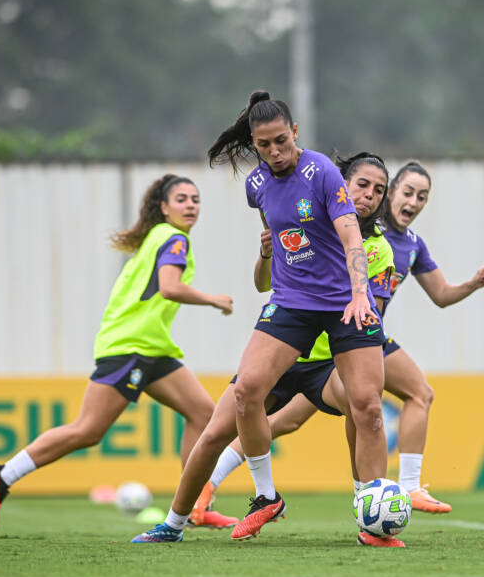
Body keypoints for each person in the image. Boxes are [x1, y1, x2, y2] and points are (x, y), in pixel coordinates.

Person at [198, 160, 484, 516]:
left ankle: (391, 492)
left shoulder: (412, 245)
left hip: (361, 332)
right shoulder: (348, 225)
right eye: (408, 192)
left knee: (308, 416)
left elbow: (441, 294)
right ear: (391, 194)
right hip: (337, 339)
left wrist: (472, 285)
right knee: (302, 415)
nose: (413, 202)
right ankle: (398, 489)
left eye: (422, 196)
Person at [133, 151, 400, 546]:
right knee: (215, 432)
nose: (369, 195)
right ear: (340, 184)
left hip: (326, 365)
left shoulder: (377, 249)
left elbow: (367, 315)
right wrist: (266, 253)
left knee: (367, 410)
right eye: (362, 185)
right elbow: (263, 284)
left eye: (378, 190)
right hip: (283, 352)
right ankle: (175, 523)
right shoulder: (304, 219)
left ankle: (370, 515)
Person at [0, 174, 236, 529]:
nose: (190, 205)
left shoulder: (157, 237)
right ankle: (3, 475)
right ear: (164, 207)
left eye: (195, 199)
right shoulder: (174, 239)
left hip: (151, 347)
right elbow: (169, 287)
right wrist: (213, 299)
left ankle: (193, 506)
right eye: (181, 199)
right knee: (88, 430)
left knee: (204, 413)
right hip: (131, 347)